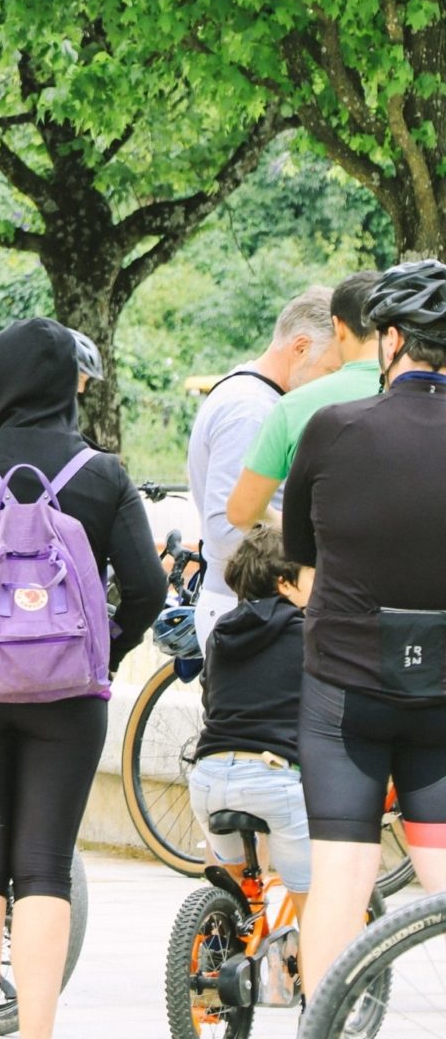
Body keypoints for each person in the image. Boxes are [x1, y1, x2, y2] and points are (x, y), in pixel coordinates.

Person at [0, 318, 164, 1039]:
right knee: (45, 867)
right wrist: (102, 652)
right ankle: (41, 1032)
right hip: (70, 694)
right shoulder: (104, 473)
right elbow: (147, 588)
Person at [284, 259, 446, 997]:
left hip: (347, 686)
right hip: (444, 691)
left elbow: (301, 558)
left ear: (391, 341)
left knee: (342, 876)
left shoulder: (332, 427)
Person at [184, 288, 339, 643]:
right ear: (300, 348)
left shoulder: (252, 396)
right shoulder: (251, 411)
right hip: (247, 609)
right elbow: (227, 530)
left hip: (251, 605)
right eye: (331, 368)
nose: (332, 383)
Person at [185, 526, 315, 912]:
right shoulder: (309, 633)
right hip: (273, 777)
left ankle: (223, 931)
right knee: (315, 906)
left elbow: (213, 700)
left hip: (208, 781)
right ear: (284, 583)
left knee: (239, 883)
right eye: (310, 572)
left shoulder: (220, 633)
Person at [226, 272, 382, 531]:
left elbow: (241, 512)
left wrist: (290, 524)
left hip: (327, 566)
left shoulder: (294, 406)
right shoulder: (421, 393)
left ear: (338, 326)